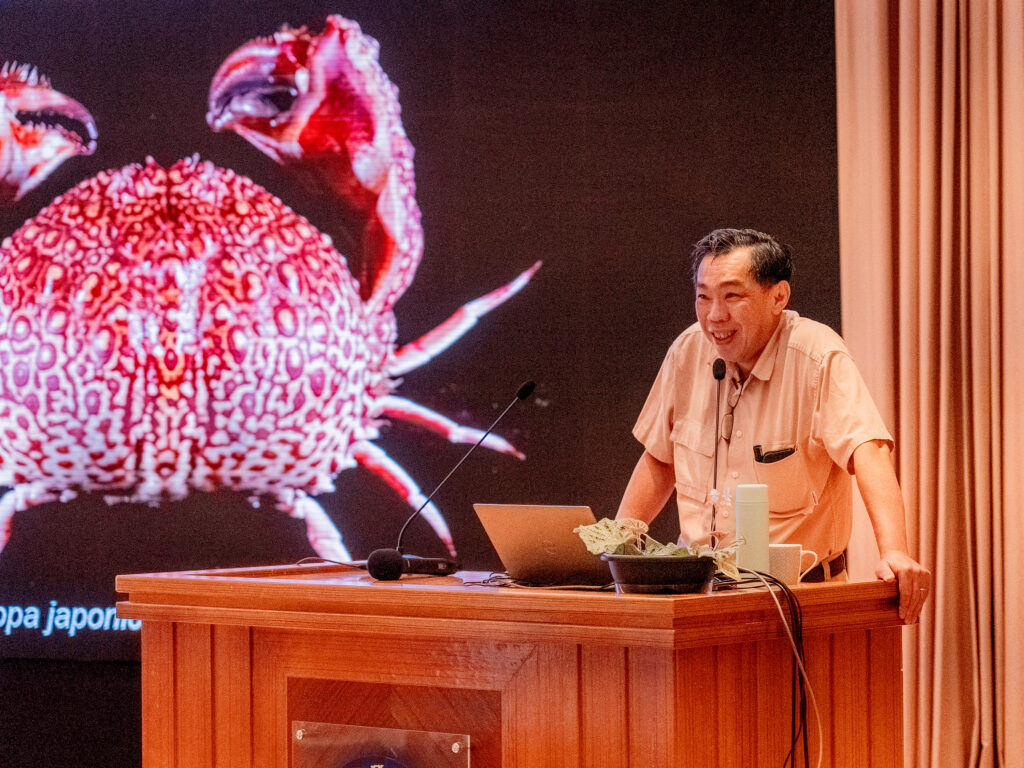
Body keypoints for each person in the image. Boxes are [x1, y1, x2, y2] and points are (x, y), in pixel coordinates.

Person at [616, 228, 930, 624]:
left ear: (778, 296)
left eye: (732, 295)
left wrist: (895, 551)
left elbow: (867, 452)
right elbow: (661, 460)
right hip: (698, 602)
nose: (715, 316)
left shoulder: (816, 355)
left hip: (800, 602)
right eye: (703, 296)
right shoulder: (688, 351)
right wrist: (617, 551)